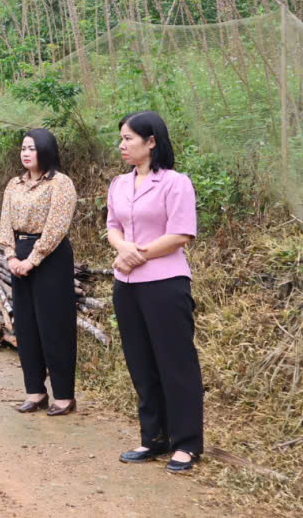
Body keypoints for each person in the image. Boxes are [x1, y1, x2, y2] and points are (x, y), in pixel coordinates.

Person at [108, 111, 203, 473]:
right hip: (127, 286)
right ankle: (153, 437)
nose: (122, 145)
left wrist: (136, 254)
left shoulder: (175, 183)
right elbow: (112, 227)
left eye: (129, 138)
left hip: (165, 283)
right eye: (121, 139)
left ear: (151, 142)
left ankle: (186, 443)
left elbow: (181, 234)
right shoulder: (119, 183)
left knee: (175, 364)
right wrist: (123, 250)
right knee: (141, 362)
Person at [0, 128, 79, 415]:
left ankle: (64, 396)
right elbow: (5, 223)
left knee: (54, 325)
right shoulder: (13, 185)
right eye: (23, 148)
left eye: (32, 148)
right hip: (18, 256)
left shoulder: (60, 184)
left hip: (50, 257)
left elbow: (57, 226)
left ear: (45, 150)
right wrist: (10, 256)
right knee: (27, 326)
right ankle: (35, 391)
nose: (26, 153)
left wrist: (33, 259)